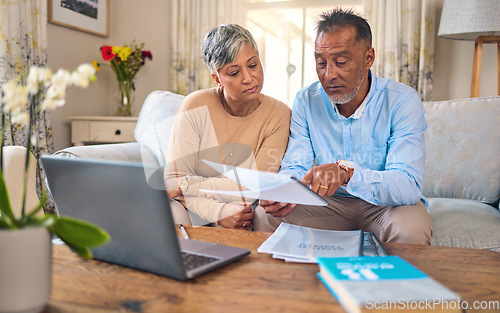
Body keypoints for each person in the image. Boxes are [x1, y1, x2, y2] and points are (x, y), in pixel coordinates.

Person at [254, 8, 432, 245]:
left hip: (387, 206)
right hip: (328, 204)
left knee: (410, 228)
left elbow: (407, 185)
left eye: (340, 62)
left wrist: (348, 174)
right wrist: (284, 191)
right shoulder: (306, 101)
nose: (329, 75)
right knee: (265, 217)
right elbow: (296, 164)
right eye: (321, 63)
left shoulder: (403, 101)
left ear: (369, 58)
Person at [164, 24, 291, 230]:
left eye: (253, 65)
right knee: (170, 209)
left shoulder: (279, 114)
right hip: (194, 208)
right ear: (217, 79)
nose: (249, 78)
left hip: (242, 209)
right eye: (234, 72)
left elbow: (255, 184)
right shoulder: (195, 105)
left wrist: (186, 184)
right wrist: (218, 212)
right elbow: (171, 182)